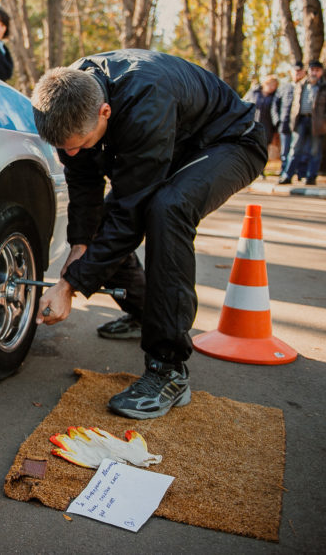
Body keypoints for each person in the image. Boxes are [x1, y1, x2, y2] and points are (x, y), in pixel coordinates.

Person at [30, 50, 267, 419]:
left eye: (79, 142)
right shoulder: (71, 96)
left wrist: (70, 285)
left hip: (230, 140)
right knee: (99, 230)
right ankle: (143, 312)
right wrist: (79, 246)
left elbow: (129, 216)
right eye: (64, 148)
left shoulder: (145, 98)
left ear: (104, 113)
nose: (71, 152)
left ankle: (168, 370)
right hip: (173, 141)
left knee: (166, 210)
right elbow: (84, 185)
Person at [279, 60, 326, 185]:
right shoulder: (301, 84)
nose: (314, 72)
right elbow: (294, 103)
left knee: (315, 150)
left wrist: (324, 118)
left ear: (321, 72)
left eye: (317, 70)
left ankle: (311, 177)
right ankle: (287, 175)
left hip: (317, 122)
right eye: (312, 70)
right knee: (295, 149)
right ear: (308, 71)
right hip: (301, 120)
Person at [274, 62, 305, 177]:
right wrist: (277, 120)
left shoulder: (306, 87)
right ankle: (284, 171)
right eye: (295, 71)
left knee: (298, 150)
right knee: (285, 150)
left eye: (300, 71)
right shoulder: (284, 87)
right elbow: (275, 105)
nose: (297, 73)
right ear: (291, 72)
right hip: (285, 122)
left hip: (299, 123)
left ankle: (299, 173)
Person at [243, 74, 280, 170]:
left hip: (267, 127)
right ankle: (249, 167)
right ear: (265, 83)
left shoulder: (275, 97)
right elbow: (244, 103)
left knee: (263, 149)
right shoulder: (254, 92)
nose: (272, 87)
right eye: (270, 84)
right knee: (250, 147)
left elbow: (275, 112)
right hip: (252, 124)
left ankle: (260, 170)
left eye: (274, 86)